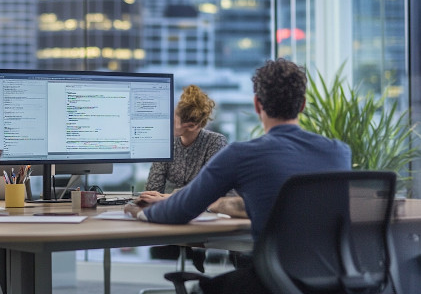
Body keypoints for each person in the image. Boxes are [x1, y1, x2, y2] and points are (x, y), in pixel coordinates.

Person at [125, 58, 352, 293]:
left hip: (273, 281)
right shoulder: (339, 153)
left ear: (257, 104)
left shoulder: (241, 154)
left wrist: (140, 212)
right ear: (302, 105)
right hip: (333, 280)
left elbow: (179, 210)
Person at [140, 84, 228, 271]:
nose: (168, 122)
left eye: (174, 120)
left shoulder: (215, 142)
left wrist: (167, 197)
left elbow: (209, 194)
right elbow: (152, 190)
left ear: (192, 126)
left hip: (209, 218)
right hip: (178, 216)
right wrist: (165, 198)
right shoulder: (166, 142)